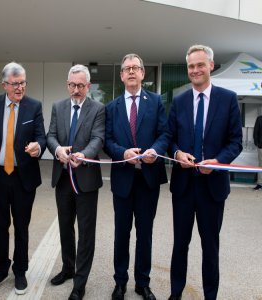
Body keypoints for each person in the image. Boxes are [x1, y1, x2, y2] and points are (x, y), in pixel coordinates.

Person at [167, 45, 242, 300]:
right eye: (191, 66)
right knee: (180, 246)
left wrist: (218, 161)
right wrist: (177, 154)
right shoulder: (179, 101)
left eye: (200, 65)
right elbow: (170, 138)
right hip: (184, 186)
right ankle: (175, 294)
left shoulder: (228, 99)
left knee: (210, 247)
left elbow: (235, 141)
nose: (195, 70)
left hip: (213, 188)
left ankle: (211, 296)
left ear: (211, 65)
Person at [0, 62, 46, 295]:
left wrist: (38, 147)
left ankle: (20, 271)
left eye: (23, 82)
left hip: (23, 176)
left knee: (22, 227)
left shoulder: (33, 106)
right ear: (4, 84)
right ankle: (0, 269)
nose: (20, 88)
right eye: (15, 84)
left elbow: (41, 136)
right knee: (0, 226)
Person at [104, 54, 169, 300]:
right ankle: (120, 281)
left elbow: (164, 133)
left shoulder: (156, 102)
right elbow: (107, 141)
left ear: (143, 73)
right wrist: (123, 153)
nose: (131, 72)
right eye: (126, 69)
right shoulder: (112, 107)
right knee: (121, 233)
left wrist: (156, 150)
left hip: (148, 180)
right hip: (122, 180)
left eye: (135, 68)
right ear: (121, 76)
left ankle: (143, 283)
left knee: (145, 234)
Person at [47, 64, 105, 300]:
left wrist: (85, 155)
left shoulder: (98, 109)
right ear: (67, 85)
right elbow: (50, 135)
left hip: (87, 179)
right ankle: (68, 268)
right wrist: (58, 149)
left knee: (86, 232)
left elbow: (98, 138)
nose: (76, 90)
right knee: (64, 227)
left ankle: (80, 283)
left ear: (88, 86)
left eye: (81, 85)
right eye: (72, 85)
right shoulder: (58, 107)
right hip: (62, 178)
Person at [253, 115, 262, 190]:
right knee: (261, 165)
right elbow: (255, 132)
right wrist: (258, 144)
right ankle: (260, 183)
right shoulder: (260, 118)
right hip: (261, 146)